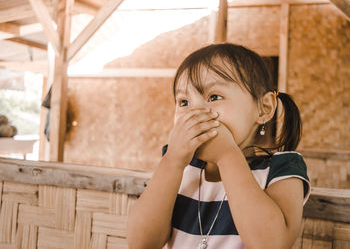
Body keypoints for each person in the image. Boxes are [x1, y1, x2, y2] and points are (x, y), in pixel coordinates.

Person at [127, 43, 310, 249]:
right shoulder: (179, 167)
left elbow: (271, 244)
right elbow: (140, 242)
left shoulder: (282, 169)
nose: (195, 113)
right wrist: (172, 162)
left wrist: (227, 155)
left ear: (263, 108)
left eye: (214, 97)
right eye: (184, 102)